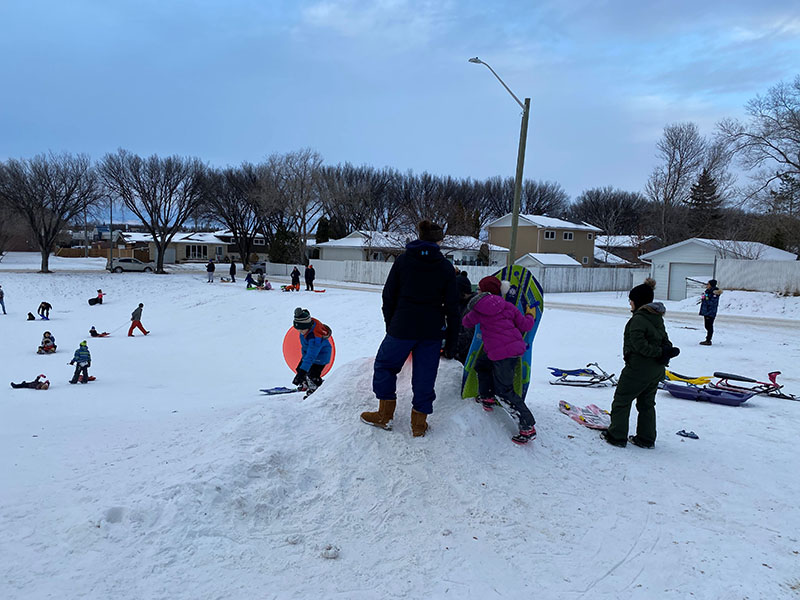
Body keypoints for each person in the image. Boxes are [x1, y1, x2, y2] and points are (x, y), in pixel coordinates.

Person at [360, 220, 460, 437]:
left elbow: (388, 296)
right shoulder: (445, 267)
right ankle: (418, 425)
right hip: (431, 331)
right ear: (439, 240)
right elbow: (453, 308)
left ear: (420, 237)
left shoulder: (403, 261)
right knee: (425, 375)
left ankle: (384, 416)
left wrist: (391, 324)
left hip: (402, 327)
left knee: (385, 366)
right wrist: (451, 342)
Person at [601, 279, 679, 449]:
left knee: (622, 400)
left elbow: (640, 346)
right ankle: (646, 438)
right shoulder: (656, 318)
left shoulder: (638, 319)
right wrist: (665, 351)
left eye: (631, 300)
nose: (629, 303)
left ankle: (616, 435)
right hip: (655, 370)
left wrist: (661, 352)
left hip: (638, 369)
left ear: (639, 301)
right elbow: (664, 340)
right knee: (646, 404)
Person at [462, 276, 538, 444]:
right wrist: (530, 315)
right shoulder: (508, 306)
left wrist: (471, 312)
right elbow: (525, 326)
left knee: (505, 391)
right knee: (482, 364)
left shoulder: (478, 308)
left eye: (480, 289)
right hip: (513, 349)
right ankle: (487, 396)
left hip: (501, 354)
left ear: (483, 291)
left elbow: (466, 323)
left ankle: (527, 426)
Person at [291, 307, 333, 393]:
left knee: (312, 375)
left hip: (321, 357)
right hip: (310, 355)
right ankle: (305, 384)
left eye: (302, 329)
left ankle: (316, 388)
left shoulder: (315, 338)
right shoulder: (306, 329)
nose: (300, 331)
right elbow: (306, 348)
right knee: (300, 369)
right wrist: (302, 366)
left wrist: (302, 372)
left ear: (307, 327)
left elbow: (311, 355)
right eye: (298, 329)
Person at [699, 279, 722, 346]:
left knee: (709, 326)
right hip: (707, 311)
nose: (707, 285)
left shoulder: (715, 293)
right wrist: (704, 297)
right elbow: (706, 299)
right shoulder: (708, 292)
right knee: (706, 325)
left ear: (711, 285)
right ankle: (708, 339)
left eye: (708, 284)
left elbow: (712, 302)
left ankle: (708, 340)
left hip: (710, 311)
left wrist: (705, 298)